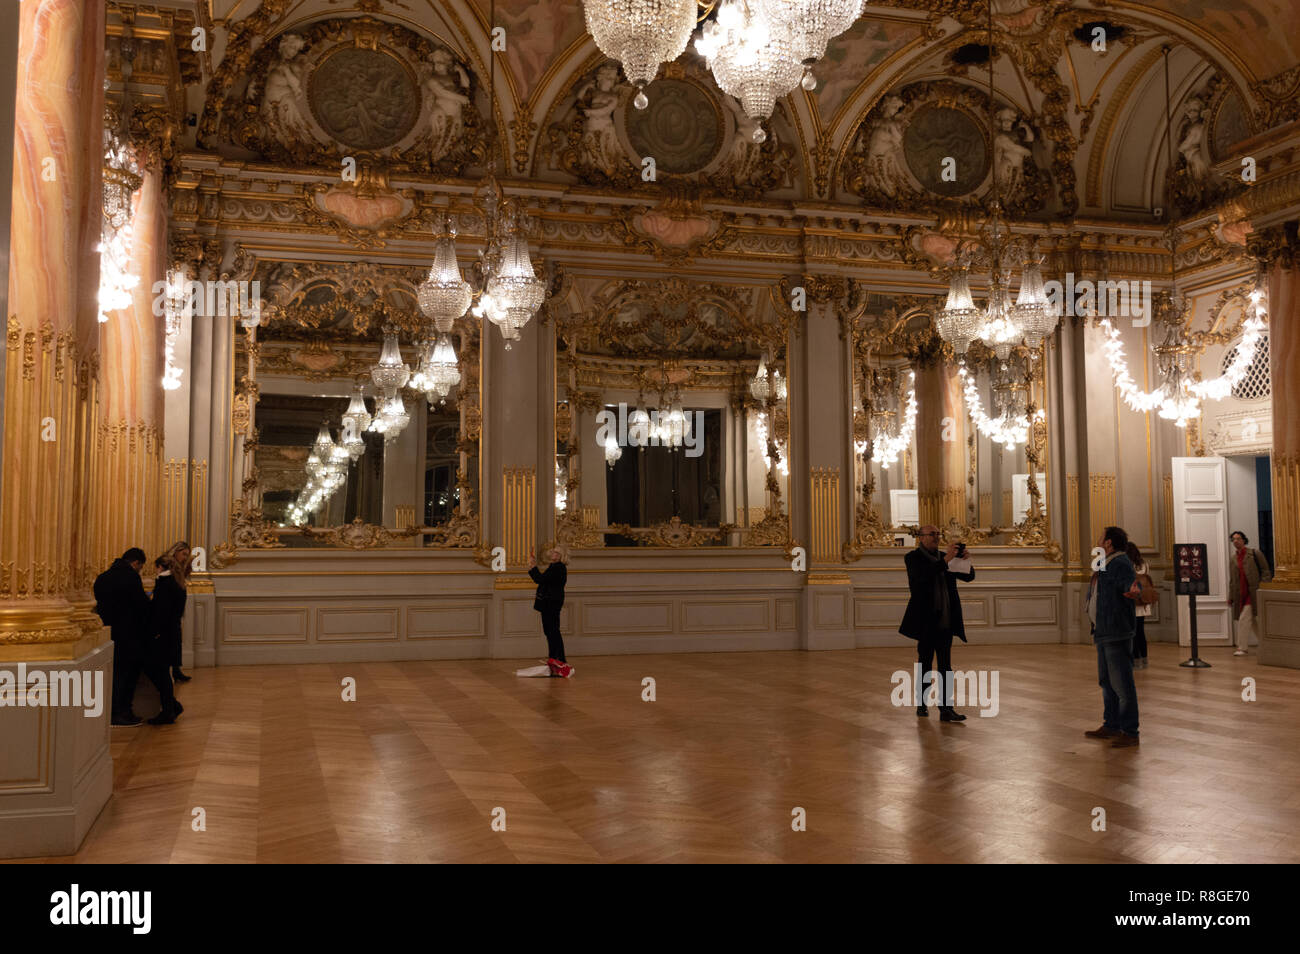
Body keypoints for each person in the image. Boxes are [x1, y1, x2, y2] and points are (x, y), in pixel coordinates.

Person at [899, 526, 975, 722]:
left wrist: (965, 560)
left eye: (937, 534)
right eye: (932, 534)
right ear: (921, 538)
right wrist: (946, 561)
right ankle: (922, 705)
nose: (936, 537)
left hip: (945, 619)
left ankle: (946, 709)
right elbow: (921, 578)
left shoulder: (944, 557)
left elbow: (968, 576)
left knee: (945, 667)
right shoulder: (912, 558)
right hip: (925, 621)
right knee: (925, 664)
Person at [1084, 526, 1139, 747]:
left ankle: (1129, 731)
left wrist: (1135, 589)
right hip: (1104, 630)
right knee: (1106, 681)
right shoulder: (1106, 562)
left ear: (1108, 542)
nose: (1097, 540)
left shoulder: (1120, 562)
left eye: (1100, 537)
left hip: (1116, 631)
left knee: (1122, 684)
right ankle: (1112, 724)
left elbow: (1130, 584)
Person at [93, 547, 151, 726]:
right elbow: (141, 605)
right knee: (126, 675)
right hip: (129, 634)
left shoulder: (102, 577)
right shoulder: (131, 577)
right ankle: (122, 712)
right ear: (136, 563)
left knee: (112, 674)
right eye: (140, 567)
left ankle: (110, 711)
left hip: (107, 632)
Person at [141, 545, 189, 726]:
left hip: (162, 635)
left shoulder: (163, 584)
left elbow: (159, 612)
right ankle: (171, 706)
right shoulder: (178, 583)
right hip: (172, 633)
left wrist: (153, 633)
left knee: (157, 671)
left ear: (160, 567)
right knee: (163, 673)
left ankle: (169, 709)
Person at [528, 545, 572, 678]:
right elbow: (543, 580)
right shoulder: (555, 567)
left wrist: (533, 567)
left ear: (560, 556)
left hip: (551, 604)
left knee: (552, 632)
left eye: (556, 552)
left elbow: (540, 579)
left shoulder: (558, 568)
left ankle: (558, 661)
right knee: (551, 631)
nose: (552, 553)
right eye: (553, 551)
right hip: (551, 603)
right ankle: (556, 660)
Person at [1228, 530, 1272, 656]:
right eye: (1233, 539)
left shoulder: (1254, 553)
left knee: (1244, 619)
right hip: (1241, 593)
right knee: (1251, 620)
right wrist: (1230, 596)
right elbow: (1233, 579)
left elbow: (1265, 571)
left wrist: (1264, 586)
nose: (1236, 541)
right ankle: (1265, 643)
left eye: (1238, 538)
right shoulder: (1233, 558)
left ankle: (1242, 648)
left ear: (1244, 540)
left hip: (1254, 592)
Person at [155, 541, 193, 683]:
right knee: (170, 642)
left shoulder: (178, 568)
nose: (185, 557)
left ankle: (176, 669)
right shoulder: (166, 565)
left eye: (187, 555)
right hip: (168, 612)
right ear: (176, 551)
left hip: (174, 613)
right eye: (183, 554)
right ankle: (170, 671)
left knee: (176, 641)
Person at [1126, 542, 1154, 670]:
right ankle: (1145, 659)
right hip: (1143, 603)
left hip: (1133, 602)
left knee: (1133, 633)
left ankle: (1135, 660)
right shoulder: (1145, 565)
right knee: (1141, 632)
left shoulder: (1128, 565)